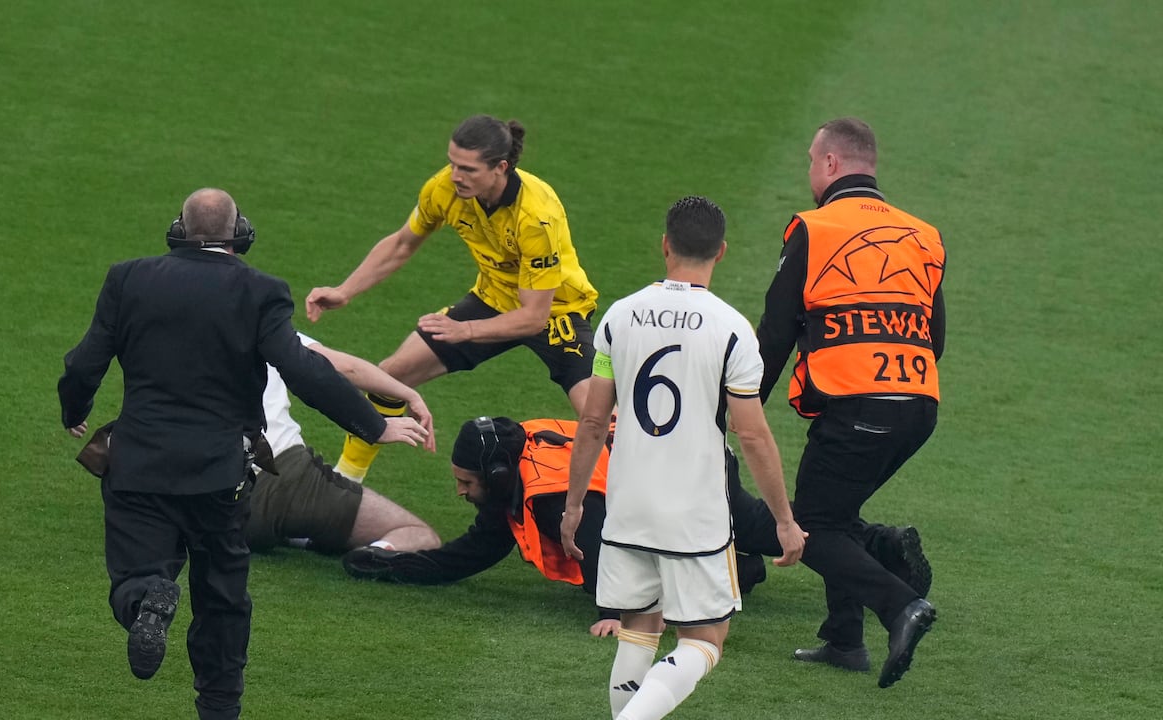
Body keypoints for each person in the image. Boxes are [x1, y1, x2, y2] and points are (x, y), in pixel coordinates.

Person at [57, 189, 429, 720]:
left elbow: (84, 361)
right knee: (223, 598)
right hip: (220, 476)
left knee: (135, 571)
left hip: (138, 465)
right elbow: (305, 371)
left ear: (178, 231)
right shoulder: (261, 292)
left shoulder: (128, 279)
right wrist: (374, 426)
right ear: (240, 235)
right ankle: (219, 707)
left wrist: (75, 408)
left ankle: (148, 600)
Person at [341, 416, 931, 638]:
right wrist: (395, 568)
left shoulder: (545, 490)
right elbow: (472, 553)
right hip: (686, 457)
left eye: (467, 482)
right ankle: (878, 546)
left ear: (495, 473)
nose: (462, 491)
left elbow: (601, 545)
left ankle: (743, 568)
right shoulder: (523, 460)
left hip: (687, 473)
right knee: (764, 531)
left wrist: (616, 613)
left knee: (759, 537)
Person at [561, 196, 805, 720]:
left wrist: (575, 504)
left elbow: (591, 421)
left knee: (638, 626)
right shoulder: (733, 329)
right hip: (694, 515)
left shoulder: (619, 316)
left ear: (665, 245)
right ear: (721, 251)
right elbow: (754, 436)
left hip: (628, 505)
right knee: (705, 639)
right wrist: (783, 520)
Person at [756, 117, 946, 688]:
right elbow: (935, 338)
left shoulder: (814, 229)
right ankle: (844, 639)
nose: (810, 173)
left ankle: (900, 605)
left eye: (812, 162)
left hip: (859, 404)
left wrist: (738, 409)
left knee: (810, 524)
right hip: (918, 406)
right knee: (836, 512)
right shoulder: (924, 234)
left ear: (832, 165)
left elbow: (775, 331)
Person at [304, 114, 599, 482]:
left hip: (557, 311)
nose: (456, 175)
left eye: (468, 169)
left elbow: (533, 317)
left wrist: (466, 331)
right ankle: (346, 481)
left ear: (500, 168)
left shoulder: (536, 216)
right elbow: (401, 244)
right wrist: (344, 290)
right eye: (453, 163)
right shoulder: (444, 189)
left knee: (597, 416)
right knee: (392, 375)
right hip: (493, 298)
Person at [247, 333, 441, 555]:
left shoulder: (201, 323)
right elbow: (343, 369)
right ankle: (375, 554)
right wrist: (406, 398)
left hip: (209, 497)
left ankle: (296, 533)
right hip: (279, 480)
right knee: (417, 533)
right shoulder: (264, 322)